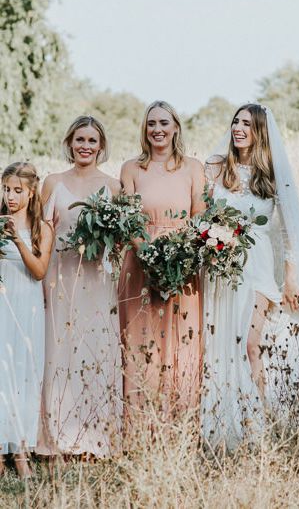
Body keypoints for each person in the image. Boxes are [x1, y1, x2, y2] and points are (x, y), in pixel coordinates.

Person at [201, 104, 299, 450]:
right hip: (219, 268)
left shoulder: (272, 175)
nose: (239, 128)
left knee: (250, 345)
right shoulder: (215, 168)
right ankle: (219, 425)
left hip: (257, 268)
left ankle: (255, 429)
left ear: (261, 132)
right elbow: (200, 214)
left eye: (247, 123)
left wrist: (290, 279)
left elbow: (290, 232)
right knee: (220, 344)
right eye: (236, 121)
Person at [37, 116, 123, 458]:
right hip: (59, 276)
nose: (85, 146)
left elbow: (119, 242)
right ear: (69, 143)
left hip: (97, 279)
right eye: (79, 140)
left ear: (101, 146)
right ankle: (55, 436)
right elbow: (42, 234)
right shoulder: (53, 182)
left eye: (92, 141)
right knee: (58, 350)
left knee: (95, 347)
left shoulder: (113, 186)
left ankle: (95, 437)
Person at [118, 101, 206, 416]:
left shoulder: (194, 167)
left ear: (176, 128)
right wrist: (148, 254)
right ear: (145, 129)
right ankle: (141, 426)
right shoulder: (131, 168)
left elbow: (200, 217)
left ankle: (178, 424)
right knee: (142, 342)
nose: (158, 129)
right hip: (140, 262)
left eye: (164, 123)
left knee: (182, 342)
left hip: (182, 264)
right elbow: (127, 218)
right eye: (151, 123)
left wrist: (180, 254)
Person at [0, 162, 53, 478]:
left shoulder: (41, 228)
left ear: (32, 192)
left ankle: (20, 451)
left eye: (18, 190)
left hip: (27, 304)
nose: (10, 196)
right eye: (6, 189)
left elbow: (39, 271)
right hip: (2, 301)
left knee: (23, 375)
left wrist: (17, 241)